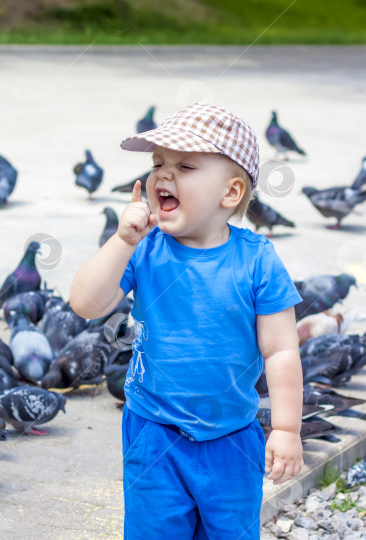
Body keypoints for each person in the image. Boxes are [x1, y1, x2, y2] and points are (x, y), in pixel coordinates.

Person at [70, 103, 303, 539]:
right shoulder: (145, 249)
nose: (163, 174)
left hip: (232, 437)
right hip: (154, 431)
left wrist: (287, 428)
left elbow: (281, 349)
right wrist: (121, 241)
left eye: (185, 165)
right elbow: (85, 303)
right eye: (158, 163)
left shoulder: (256, 260)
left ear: (230, 193)